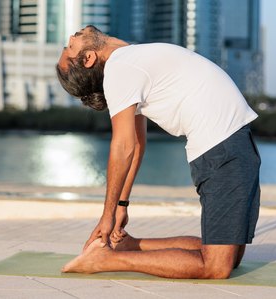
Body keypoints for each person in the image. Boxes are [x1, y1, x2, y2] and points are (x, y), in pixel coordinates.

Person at [56, 25, 261, 279]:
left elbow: (138, 144)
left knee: (232, 258)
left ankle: (128, 246)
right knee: (217, 267)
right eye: (70, 46)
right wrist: (107, 216)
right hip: (221, 149)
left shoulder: (129, 62)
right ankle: (106, 259)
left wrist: (122, 204)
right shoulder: (120, 69)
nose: (71, 37)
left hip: (230, 145)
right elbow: (123, 146)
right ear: (88, 58)